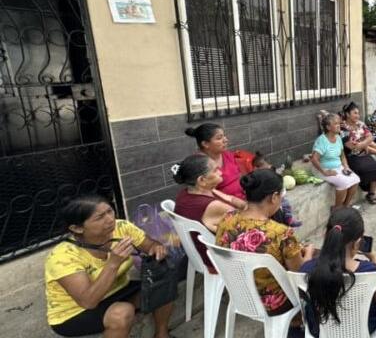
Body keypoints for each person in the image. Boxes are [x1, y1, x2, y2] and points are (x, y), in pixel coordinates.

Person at [45, 196, 174, 338]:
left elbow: (150, 244)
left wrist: (156, 249)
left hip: (116, 290)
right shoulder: (63, 256)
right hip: (74, 311)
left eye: (109, 211)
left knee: (162, 285)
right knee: (122, 313)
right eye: (100, 217)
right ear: (77, 228)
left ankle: (162, 334)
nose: (110, 219)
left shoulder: (121, 227)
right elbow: (88, 301)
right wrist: (113, 263)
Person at [216, 169, 314, 315]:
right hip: (274, 303)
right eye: (282, 195)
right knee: (321, 265)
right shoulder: (281, 233)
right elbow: (299, 274)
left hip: (240, 294)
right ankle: (300, 319)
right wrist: (310, 252)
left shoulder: (227, 218)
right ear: (274, 197)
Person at [300, 208, 376, 337]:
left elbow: (304, 293)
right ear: (358, 243)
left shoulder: (308, 268)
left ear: (326, 236)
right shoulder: (370, 270)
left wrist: (308, 255)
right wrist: (374, 258)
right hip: (361, 329)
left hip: (320, 329)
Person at [172, 153, 242, 272]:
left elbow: (229, 198)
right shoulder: (213, 206)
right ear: (202, 180)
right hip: (218, 260)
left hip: (200, 254)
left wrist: (242, 204)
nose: (220, 172)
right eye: (215, 170)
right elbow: (247, 222)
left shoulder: (185, 193)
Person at [312, 113, 361, 210]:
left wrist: (346, 166)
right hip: (323, 169)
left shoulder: (338, 138)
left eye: (339, 123)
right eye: (335, 124)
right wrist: (325, 171)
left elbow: (342, 155)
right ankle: (337, 208)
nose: (339, 125)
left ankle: (346, 206)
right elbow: (314, 159)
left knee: (356, 179)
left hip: (338, 167)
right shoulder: (322, 140)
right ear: (328, 127)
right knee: (343, 183)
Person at [185, 123, 244, 199]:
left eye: (224, 136)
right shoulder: (200, 164)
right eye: (219, 138)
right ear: (205, 144)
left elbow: (239, 175)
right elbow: (204, 194)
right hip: (224, 205)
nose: (225, 140)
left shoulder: (227, 155)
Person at [340, 102, 376, 204]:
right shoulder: (343, 127)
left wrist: (362, 144)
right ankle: (365, 188)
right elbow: (349, 145)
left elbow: (371, 137)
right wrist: (363, 144)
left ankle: (371, 193)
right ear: (347, 114)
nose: (357, 115)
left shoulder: (360, 124)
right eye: (355, 113)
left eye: (358, 113)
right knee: (362, 169)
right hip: (351, 155)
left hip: (363, 153)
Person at [252, 152, 301, 227]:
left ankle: (289, 219)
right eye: (255, 167)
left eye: (259, 166)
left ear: (269, 165)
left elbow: (279, 186)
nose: (257, 169)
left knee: (285, 205)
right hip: (267, 201)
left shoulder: (273, 174)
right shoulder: (256, 177)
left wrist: (280, 194)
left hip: (278, 196)